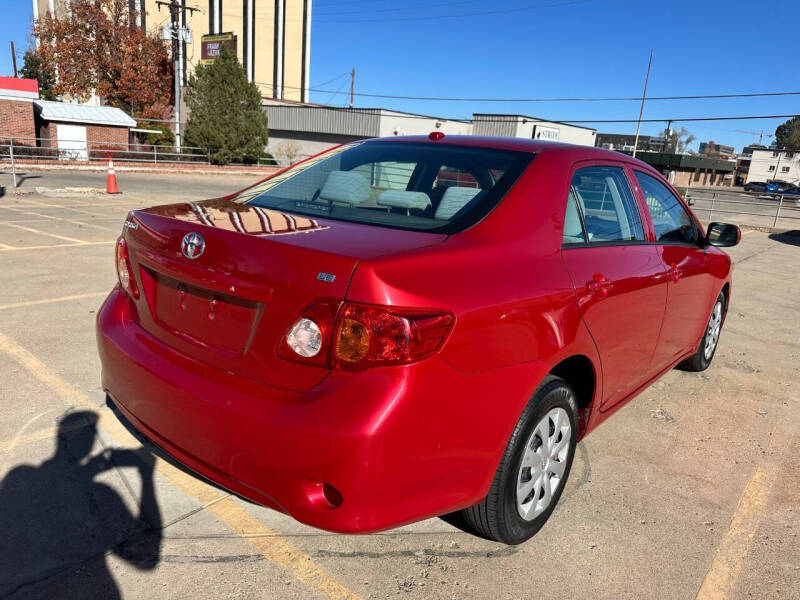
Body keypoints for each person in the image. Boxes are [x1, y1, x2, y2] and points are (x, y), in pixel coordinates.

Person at [0, 411, 161, 598]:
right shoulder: (104, 493)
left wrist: (84, 475)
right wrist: (146, 474)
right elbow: (147, 559)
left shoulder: (20, 476)